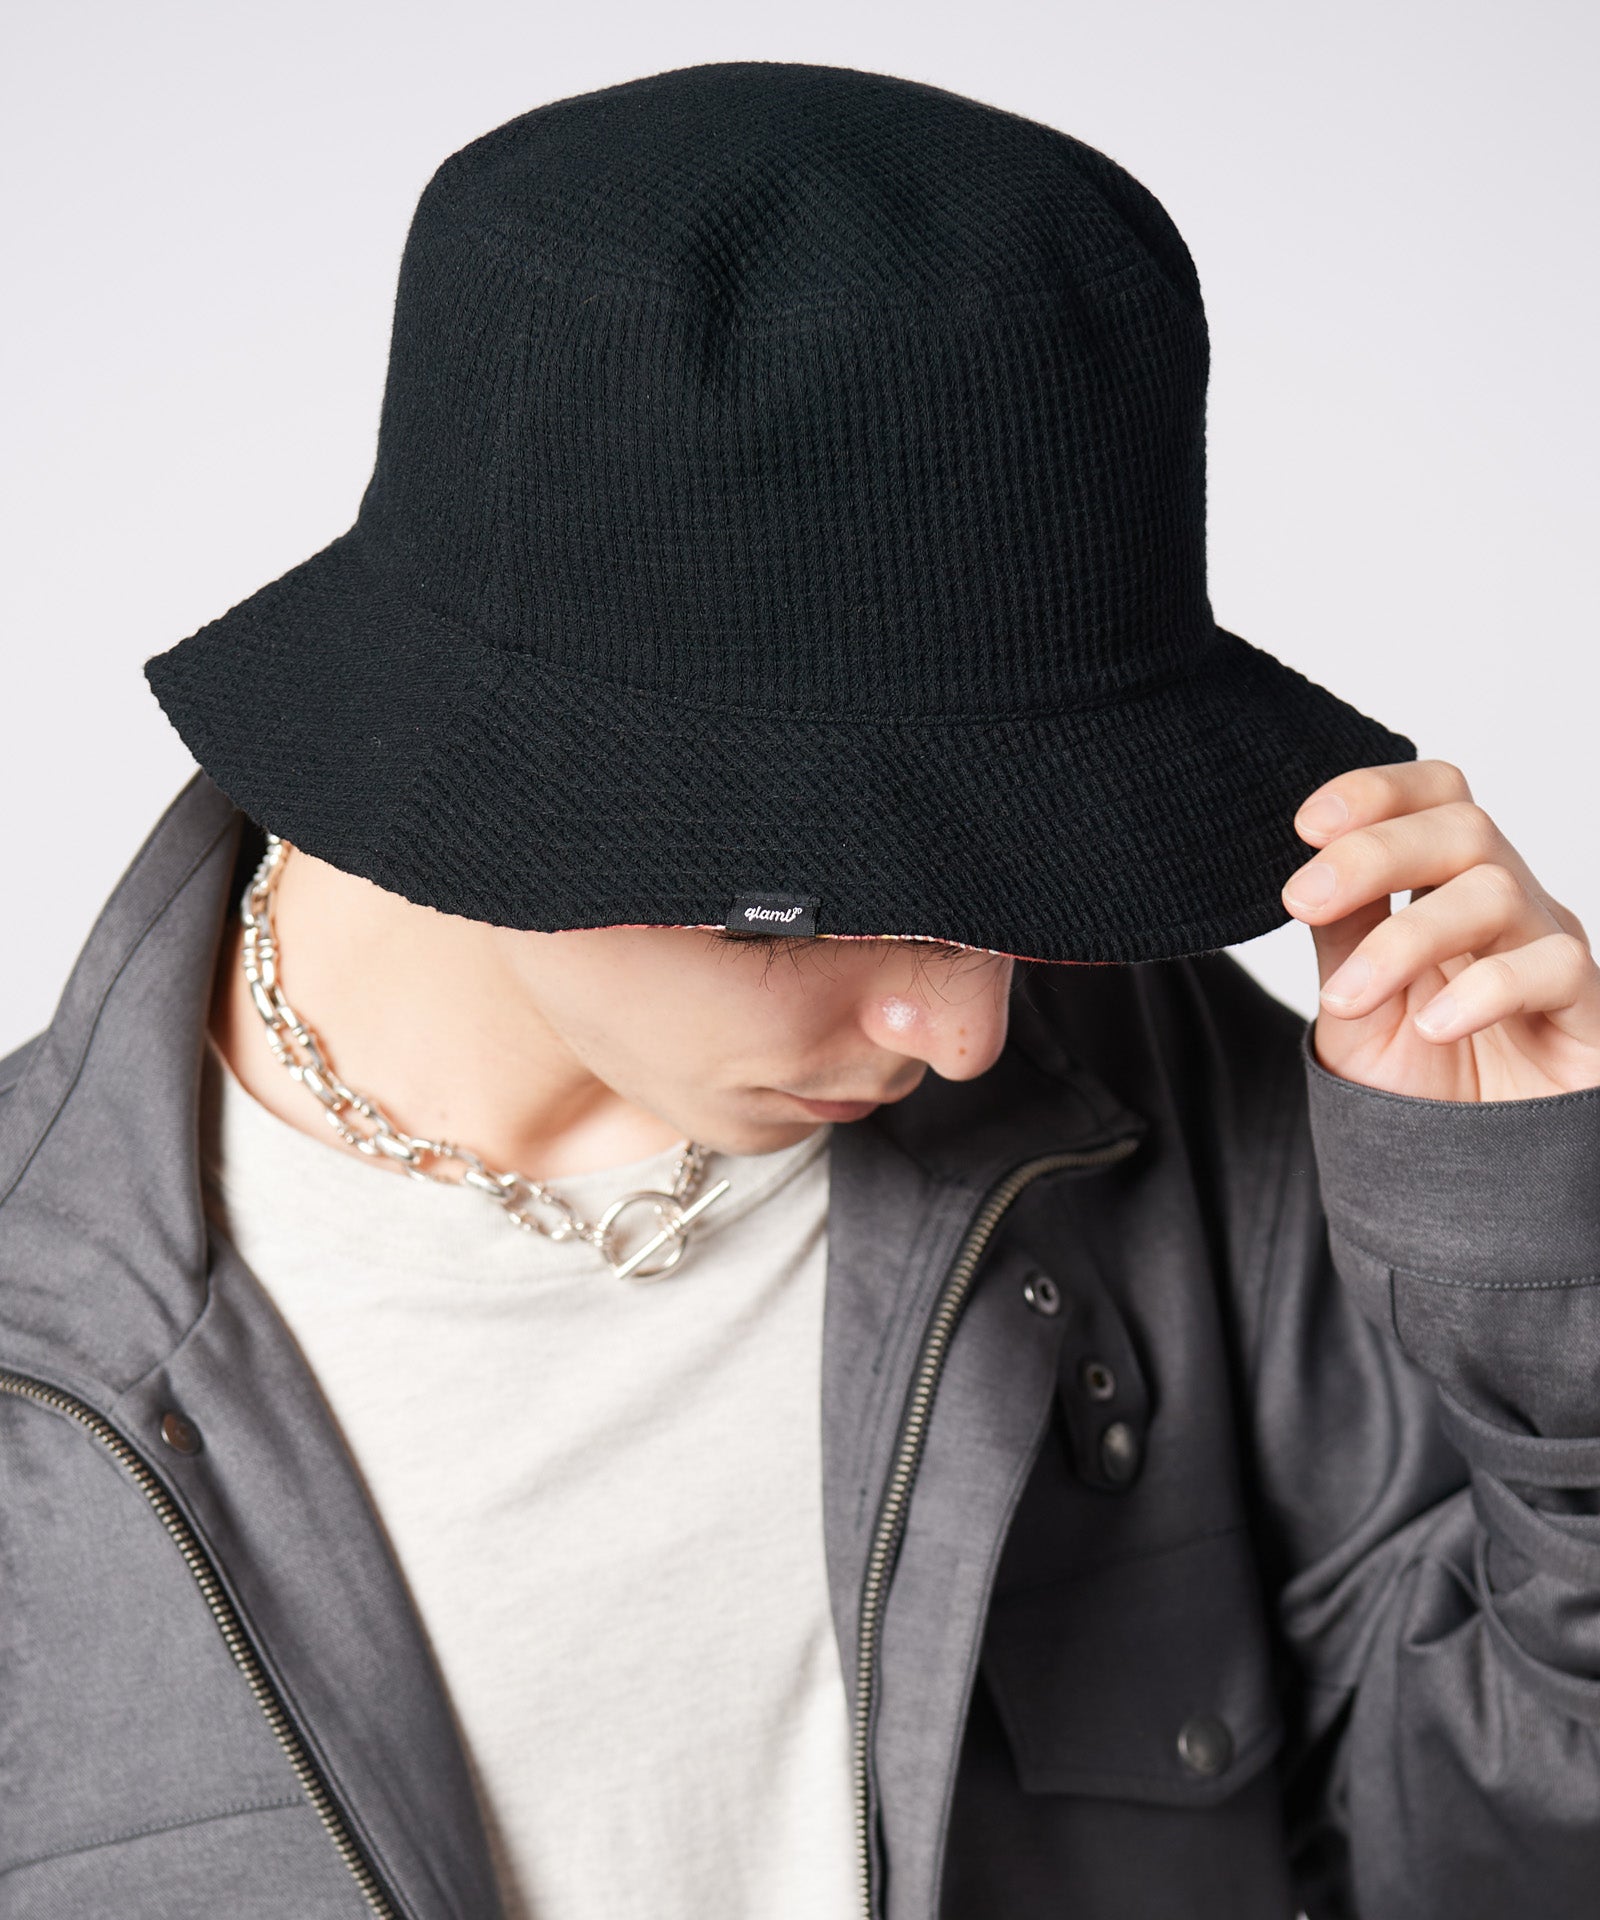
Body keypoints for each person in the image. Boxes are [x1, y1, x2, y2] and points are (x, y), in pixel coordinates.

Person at [2, 58, 1596, 1920]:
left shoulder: (1151, 1097)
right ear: (490, 772)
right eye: (822, 910)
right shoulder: (45, 1363)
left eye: (1018, 882)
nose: (968, 1033)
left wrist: (1533, 1264)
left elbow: (1491, 1866)